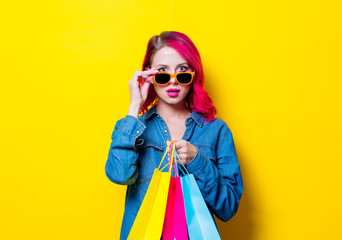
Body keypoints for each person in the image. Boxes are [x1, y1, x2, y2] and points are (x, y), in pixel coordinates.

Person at [105, 31, 243, 240]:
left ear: (193, 75)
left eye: (182, 71)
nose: (173, 81)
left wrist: (199, 161)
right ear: (149, 76)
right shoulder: (135, 128)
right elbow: (119, 175)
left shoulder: (216, 131)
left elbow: (228, 207)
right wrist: (134, 107)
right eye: (162, 72)